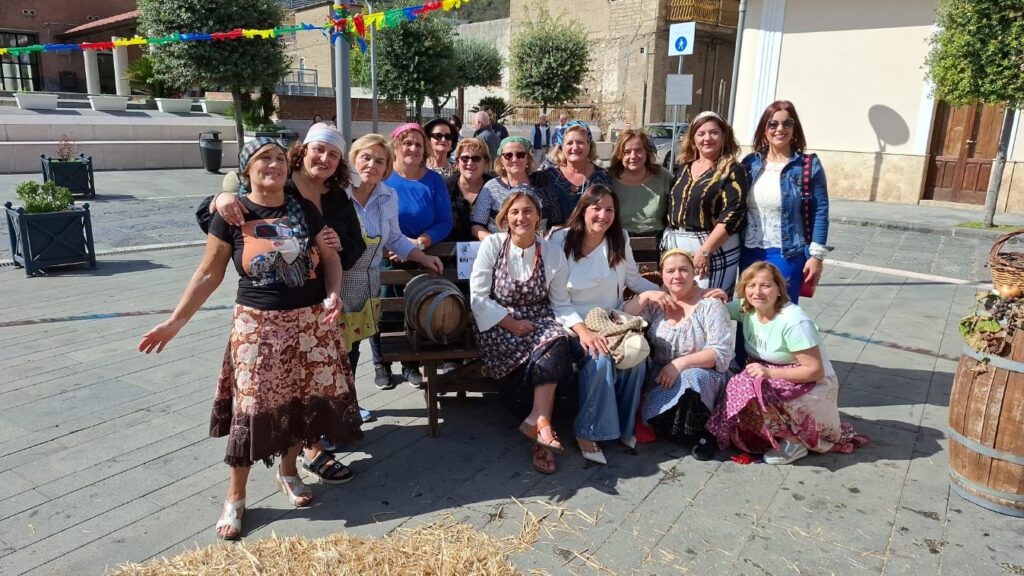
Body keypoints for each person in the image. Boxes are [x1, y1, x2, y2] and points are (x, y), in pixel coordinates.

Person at [139, 138, 362, 540]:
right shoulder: (232, 212)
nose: (273, 164)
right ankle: (236, 497)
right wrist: (175, 322)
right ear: (246, 170)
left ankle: (289, 471)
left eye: (279, 157)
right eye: (263, 158)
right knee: (252, 409)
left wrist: (333, 293)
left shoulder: (304, 210)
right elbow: (209, 273)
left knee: (301, 400)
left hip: (310, 322)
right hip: (258, 325)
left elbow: (330, 258)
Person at [706, 262, 868, 464]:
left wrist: (769, 372)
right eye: (751, 285)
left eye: (765, 285)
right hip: (775, 376)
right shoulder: (746, 308)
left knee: (747, 383)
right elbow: (712, 311)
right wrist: (715, 298)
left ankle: (795, 442)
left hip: (814, 386)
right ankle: (768, 435)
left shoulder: (794, 321)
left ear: (779, 289)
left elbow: (815, 371)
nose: (757, 292)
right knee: (743, 383)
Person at [549, 185, 662, 464]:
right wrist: (583, 332)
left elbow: (634, 280)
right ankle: (587, 431)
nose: (603, 215)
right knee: (598, 358)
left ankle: (622, 428)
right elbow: (557, 300)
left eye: (609, 209)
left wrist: (670, 294)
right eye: (596, 208)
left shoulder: (619, 239)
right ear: (583, 210)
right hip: (571, 323)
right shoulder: (560, 241)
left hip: (611, 322)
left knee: (636, 357)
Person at [470, 189, 576, 475]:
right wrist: (512, 324)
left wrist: (582, 328)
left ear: (538, 216)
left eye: (528, 211)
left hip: (539, 321)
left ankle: (539, 423)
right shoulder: (493, 245)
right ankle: (540, 425)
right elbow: (478, 298)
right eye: (515, 212)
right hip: (497, 324)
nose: (521, 217)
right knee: (553, 345)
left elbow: (560, 304)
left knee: (558, 340)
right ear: (505, 217)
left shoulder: (552, 252)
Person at [345, 134, 444, 384]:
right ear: (353, 159)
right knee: (335, 351)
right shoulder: (337, 193)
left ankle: (348, 407)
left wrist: (423, 257)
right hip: (336, 286)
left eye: (379, 160)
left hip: (365, 286)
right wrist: (227, 195)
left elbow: (396, 238)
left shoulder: (388, 195)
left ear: (387, 166)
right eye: (366, 157)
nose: (372, 165)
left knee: (352, 349)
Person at [623, 249, 734, 460]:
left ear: (694, 273)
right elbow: (622, 316)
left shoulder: (709, 304)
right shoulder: (658, 303)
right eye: (670, 271)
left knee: (691, 378)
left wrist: (680, 364)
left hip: (705, 375)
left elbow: (721, 352)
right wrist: (646, 295)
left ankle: (703, 434)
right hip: (662, 377)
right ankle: (678, 432)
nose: (677, 276)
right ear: (662, 275)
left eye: (684, 270)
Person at [374, 123, 453, 388]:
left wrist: (419, 243)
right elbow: (370, 217)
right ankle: (381, 364)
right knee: (382, 313)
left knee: (412, 311)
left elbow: (444, 221)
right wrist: (392, 246)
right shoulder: (382, 178)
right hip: (384, 256)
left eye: (419, 145)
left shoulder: (434, 181)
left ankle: (409, 365)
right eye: (408, 143)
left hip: (420, 256)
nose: (413, 149)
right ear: (395, 147)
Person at [741, 100, 830, 303]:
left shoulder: (808, 166)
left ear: (794, 128)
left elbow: (820, 212)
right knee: (749, 313)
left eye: (786, 123)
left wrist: (816, 257)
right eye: (773, 124)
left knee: (782, 314)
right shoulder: (750, 163)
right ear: (764, 129)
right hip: (749, 252)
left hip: (787, 254)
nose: (780, 129)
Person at [663, 111, 748, 294]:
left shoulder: (732, 170)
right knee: (680, 303)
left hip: (712, 246)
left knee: (707, 303)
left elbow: (733, 213)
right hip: (678, 244)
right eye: (701, 134)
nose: (707, 138)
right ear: (693, 138)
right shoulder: (684, 167)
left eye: (714, 133)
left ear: (724, 136)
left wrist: (705, 251)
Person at [470, 136, 562, 238]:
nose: (514, 159)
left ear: (528, 159)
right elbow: (477, 226)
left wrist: (545, 243)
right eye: (508, 155)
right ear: (501, 162)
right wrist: (496, 244)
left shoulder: (544, 184)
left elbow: (557, 222)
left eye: (520, 155)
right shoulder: (491, 188)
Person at [533, 120, 611, 224]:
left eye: (580, 142)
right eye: (569, 143)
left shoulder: (601, 178)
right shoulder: (548, 175)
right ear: (562, 146)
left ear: (589, 145)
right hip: (553, 238)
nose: (575, 147)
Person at [609, 129, 671, 236]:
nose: (633, 156)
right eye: (627, 152)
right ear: (619, 155)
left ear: (647, 152)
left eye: (638, 150)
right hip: (619, 242)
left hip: (656, 242)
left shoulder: (663, 176)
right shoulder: (609, 180)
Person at [447, 137, 494, 242]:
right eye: (465, 158)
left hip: (488, 251)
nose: (470, 163)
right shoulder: (446, 187)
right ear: (457, 161)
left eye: (476, 158)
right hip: (450, 251)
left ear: (485, 162)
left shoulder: (494, 187)